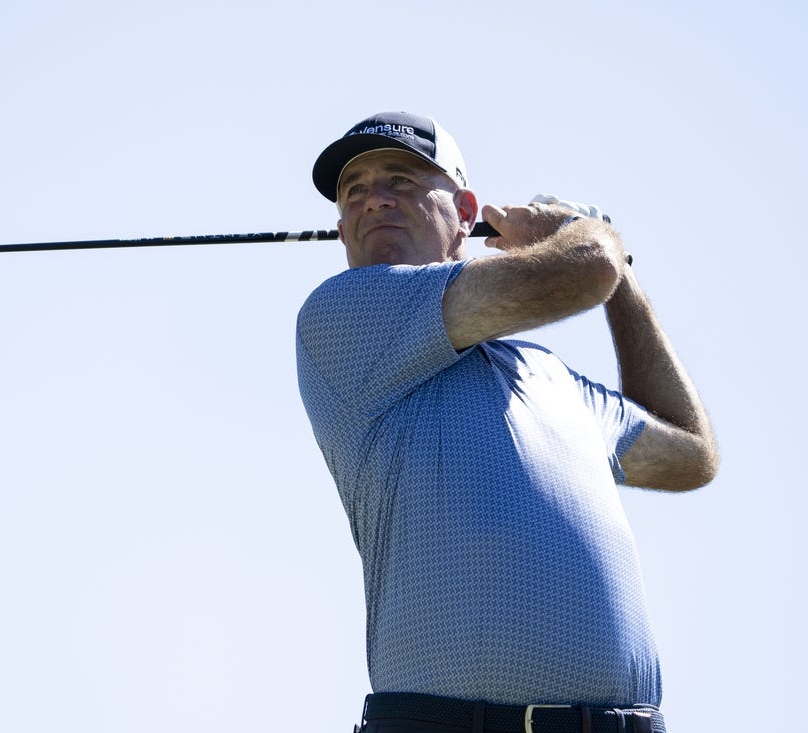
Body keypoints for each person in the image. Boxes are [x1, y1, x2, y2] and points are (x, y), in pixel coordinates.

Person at [295, 112, 718, 733]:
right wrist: (588, 236)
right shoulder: (346, 313)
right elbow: (586, 269)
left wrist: (623, 278)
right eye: (354, 190)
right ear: (341, 228)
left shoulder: (547, 375)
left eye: (404, 180)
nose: (375, 198)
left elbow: (689, 453)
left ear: (465, 212)